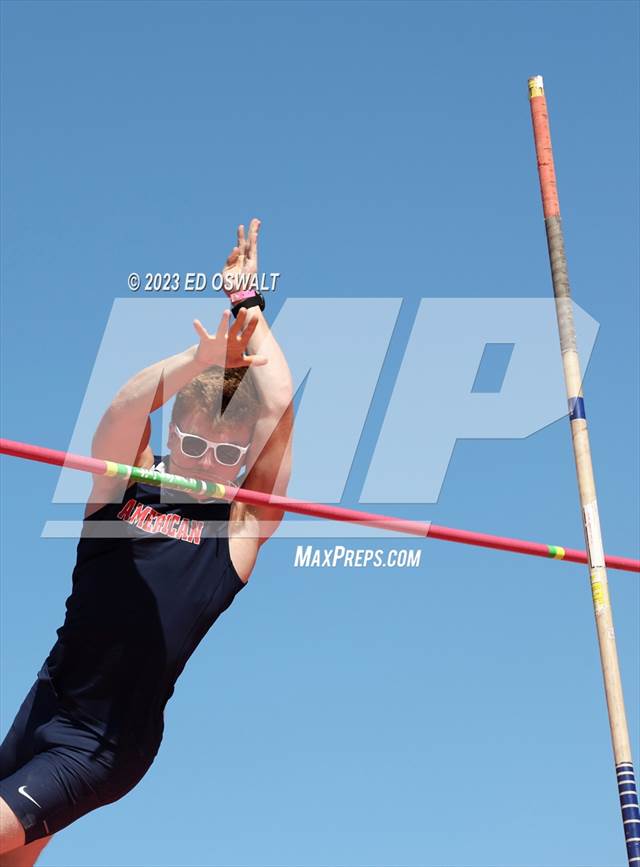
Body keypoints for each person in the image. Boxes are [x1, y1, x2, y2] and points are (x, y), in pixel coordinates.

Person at [0, 219, 293, 866]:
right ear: (171, 434)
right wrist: (197, 361)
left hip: (103, 746)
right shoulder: (125, 486)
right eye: (191, 443)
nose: (205, 461)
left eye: (224, 454)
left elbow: (280, 405)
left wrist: (247, 304)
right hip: (45, 706)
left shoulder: (235, 531)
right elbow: (122, 411)